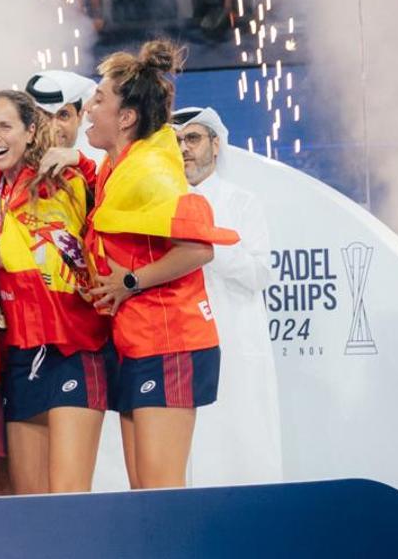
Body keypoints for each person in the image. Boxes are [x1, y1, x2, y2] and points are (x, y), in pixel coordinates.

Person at [83, 41, 237, 490]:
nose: (89, 109)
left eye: (99, 100)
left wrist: (129, 282)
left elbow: (198, 249)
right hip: (137, 340)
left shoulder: (152, 170)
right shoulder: (117, 168)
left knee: (161, 491)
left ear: (127, 117)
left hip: (170, 340)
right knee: (143, 494)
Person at [0, 89, 108, 495]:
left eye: (5, 126)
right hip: (20, 350)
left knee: (69, 493)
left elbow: (52, 257)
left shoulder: (56, 180)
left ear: (31, 130)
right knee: (28, 498)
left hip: (70, 345)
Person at [174, 107, 282, 486]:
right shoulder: (161, 205)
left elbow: (259, 272)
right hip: (179, 343)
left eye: (193, 139)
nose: (184, 149)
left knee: (240, 452)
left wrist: (209, 245)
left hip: (234, 343)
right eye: (177, 141)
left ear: (216, 145)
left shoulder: (242, 202)